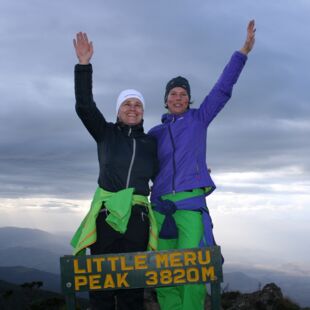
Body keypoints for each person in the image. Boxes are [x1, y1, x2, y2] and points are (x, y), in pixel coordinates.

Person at [148, 20, 256, 310]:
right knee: (162, 273)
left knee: (190, 271)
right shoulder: (154, 134)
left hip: (188, 207)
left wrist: (242, 52)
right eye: (173, 93)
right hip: (159, 208)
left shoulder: (199, 120)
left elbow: (222, 90)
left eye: (183, 93)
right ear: (166, 100)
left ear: (189, 99)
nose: (179, 97)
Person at [70, 32, 158, 310]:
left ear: (143, 112)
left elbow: (166, 173)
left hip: (138, 218)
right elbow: (84, 106)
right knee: (102, 286)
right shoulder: (105, 133)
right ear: (118, 110)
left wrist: (196, 171)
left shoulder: (150, 144)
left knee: (132, 288)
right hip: (107, 217)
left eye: (137, 104)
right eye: (127, 104)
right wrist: (84, 64)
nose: (132, 108)